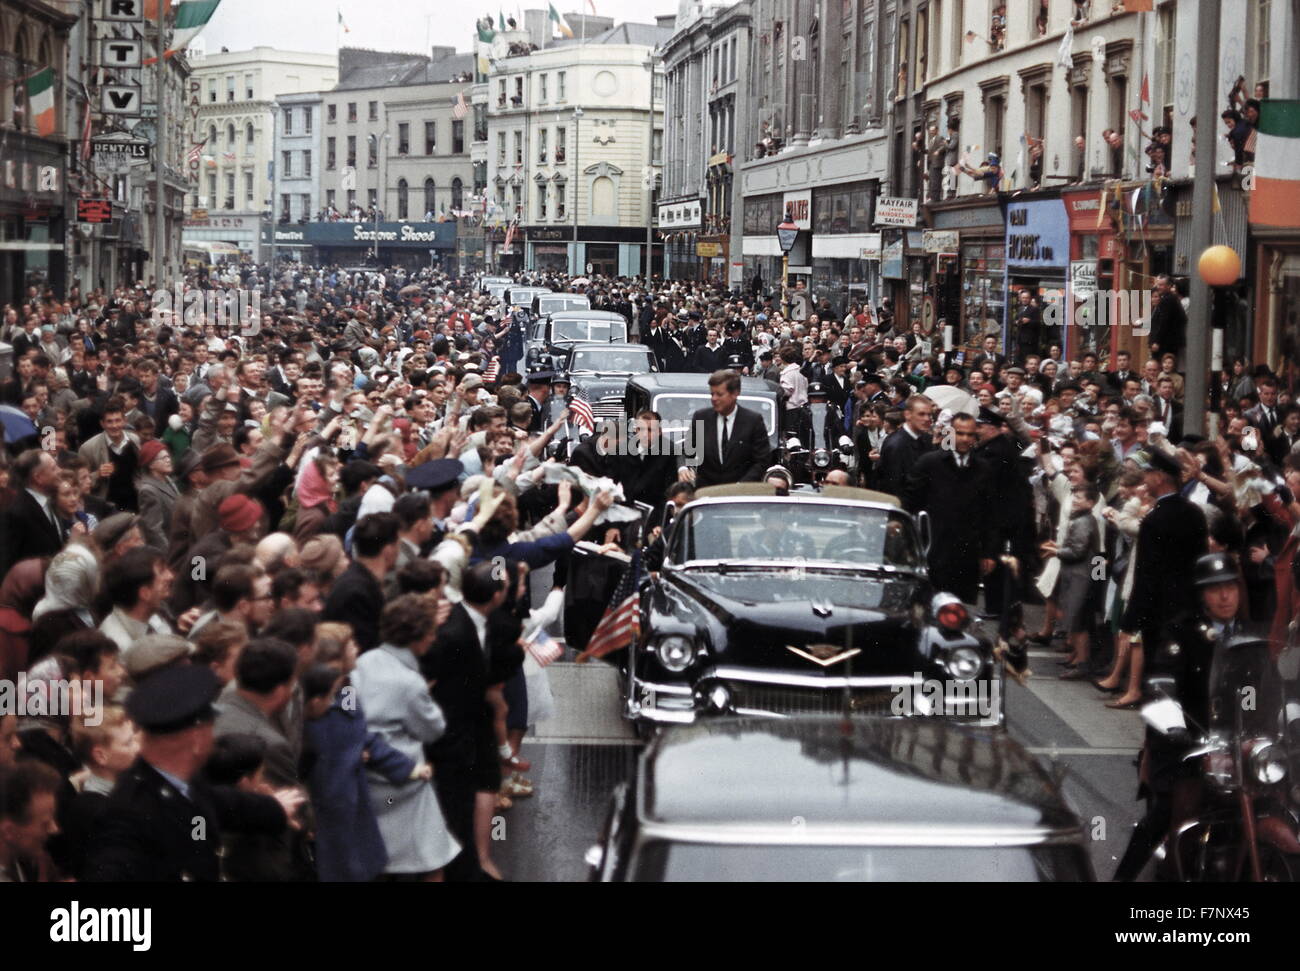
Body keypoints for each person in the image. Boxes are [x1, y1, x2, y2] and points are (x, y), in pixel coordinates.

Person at [83, 664, 301, 881]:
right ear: (197, 740)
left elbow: (220, 804)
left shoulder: (181, 781)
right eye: (209, 728)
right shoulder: (127, 816)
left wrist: (275, 809)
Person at [1113, 552, 1245, 881]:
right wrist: (1175, 725)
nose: (1225, 596)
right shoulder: (1182, 632)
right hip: (1186, 742)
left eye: (1230, 586)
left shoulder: (1248, 635)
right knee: (1168, 812)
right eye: (1216, 589)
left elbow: (1266, 684)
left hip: (1235, 747)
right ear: (1202, 594)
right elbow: (1163, 682)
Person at [351, 594, 457, 881]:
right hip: (405, 783)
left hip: (367, 777)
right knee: (433, 863)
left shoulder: (363, 662)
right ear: (417, 636)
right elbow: (432, 729)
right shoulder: (409, 682)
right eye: (431, 632)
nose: (433, 639)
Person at [902, 412, 994, 603]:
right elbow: (910, 503)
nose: (965, 439)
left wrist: (989, 553)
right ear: (950, 433)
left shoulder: (984, 469)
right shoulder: (930, 463)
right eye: (960, 433)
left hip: (966, 553)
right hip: (934, 549)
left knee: (958, 610)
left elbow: (989, 513)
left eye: (970, 434)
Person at [677, 370, 773, 489]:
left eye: (719, 394)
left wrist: (741, 486)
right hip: (706, 493)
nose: (714, 398)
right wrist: (683, 468)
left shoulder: (753, 421)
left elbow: (761, 460)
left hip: (740, 494)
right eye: (712, 394)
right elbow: (686, 451)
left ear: (735, 393)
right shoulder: (701, 418)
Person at [875, 394, 935, 497]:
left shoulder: (927, 439)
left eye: (929, 415)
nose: (927, 419)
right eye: (921, 414)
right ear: (908, 415)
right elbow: (894, 486)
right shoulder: (895, 444)